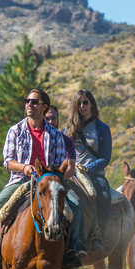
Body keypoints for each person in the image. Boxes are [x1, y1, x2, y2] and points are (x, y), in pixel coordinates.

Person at [0, 89, 82, 269]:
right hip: (20, 180)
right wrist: (25, 167)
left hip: (48, 182)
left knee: (75, 206)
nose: (29, 104)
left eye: (34, 102)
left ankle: (71, 251)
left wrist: (50, 174)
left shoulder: (55, 135)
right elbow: (8, 161)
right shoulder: (15, 130)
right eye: (27, 101)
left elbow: (61, 163)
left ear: (44, 107)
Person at [65, 89, 112, 253]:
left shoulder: (102, 129)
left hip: (93, 174)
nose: (82, 106)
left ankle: (98, 234)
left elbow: (106, 158)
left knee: (105, 197)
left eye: (85, 102)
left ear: (92, 104)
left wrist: (88, 168)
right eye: (79, 103)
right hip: (71, 173)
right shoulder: (70, 128)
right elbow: (64, 152)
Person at [45, 104, 87, 260]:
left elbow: (70, 167)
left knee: (75, 206)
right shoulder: (37, 138)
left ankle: (74, 247)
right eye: (46, 118)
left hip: (61, 182)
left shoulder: (66, 140)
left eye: (53, 118)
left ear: (58, 119)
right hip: (39, 181)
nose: (50, 121)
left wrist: (60, 179)